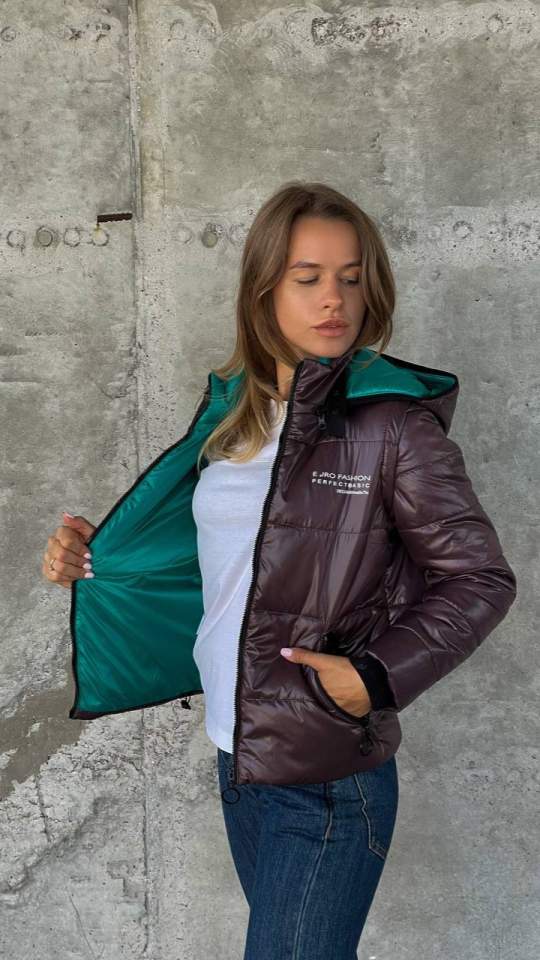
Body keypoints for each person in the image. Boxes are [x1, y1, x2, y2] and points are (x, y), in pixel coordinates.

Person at [42, 181, 517, 959]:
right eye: (308, 277)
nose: (334, 298)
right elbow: (229, 563)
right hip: (238, 758)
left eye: (352, 277)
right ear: (264, 290)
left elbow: (481, 579)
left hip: (328, 774)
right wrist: (97, 557)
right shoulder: (234, 421)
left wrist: (374, 676)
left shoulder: (394, 427)